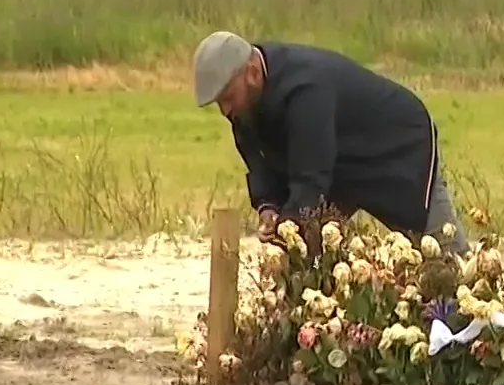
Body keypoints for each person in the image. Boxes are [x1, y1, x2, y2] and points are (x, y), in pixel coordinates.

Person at [192, 31, 471, 254]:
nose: (225, 110)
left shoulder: (305, 89)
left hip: (398, 145)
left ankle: (481, 314)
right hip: (338, 161)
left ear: (252, 72)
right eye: (219, 102)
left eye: (228, 97)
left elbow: (311, 177)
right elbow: (257, 157)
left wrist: (289, 223)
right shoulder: (244, 103)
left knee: (439, 254)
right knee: (312, 253)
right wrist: (270, 207)